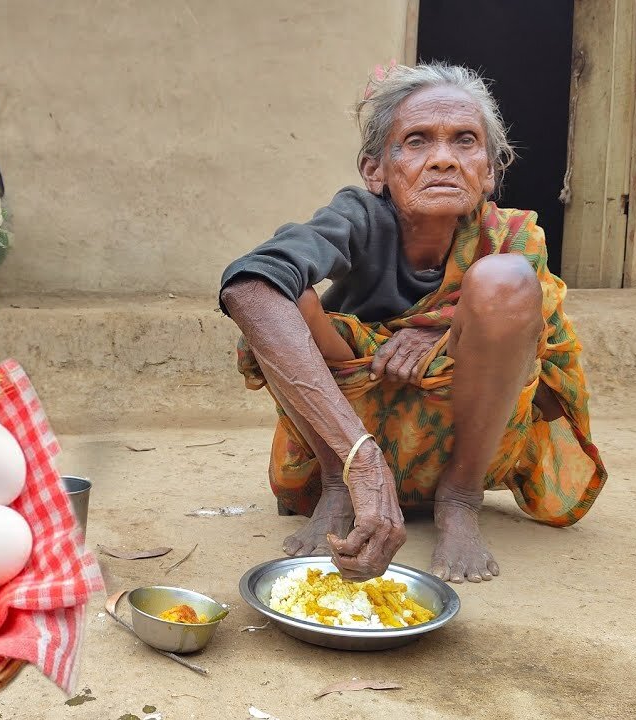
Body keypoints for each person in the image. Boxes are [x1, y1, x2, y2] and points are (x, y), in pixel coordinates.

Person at [218, 63, 606, 583]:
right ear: (376, 170)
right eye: (417, 141)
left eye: (465, 141)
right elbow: (250, 285)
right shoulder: (356, 217)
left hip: (468, 439)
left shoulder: (509, 241)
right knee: (283, 303)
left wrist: (444, 326)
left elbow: (546, 387)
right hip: (350, 436)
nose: (443, 159)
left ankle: (460, 499)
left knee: (508, 283)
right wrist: (356, 460)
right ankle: (336, 485)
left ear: (489, 169)